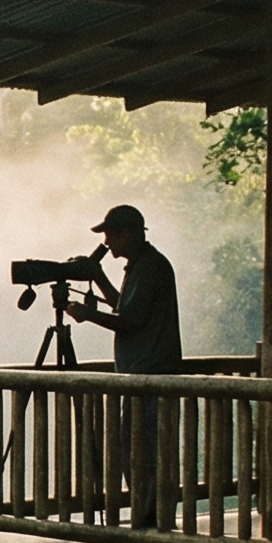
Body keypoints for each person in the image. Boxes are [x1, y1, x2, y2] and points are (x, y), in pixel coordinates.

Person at [70, 205, 182, 526]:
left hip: (151, 376)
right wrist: (98, 275)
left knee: (145, 455)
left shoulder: (150, 267)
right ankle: (148, 522)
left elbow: (129, 320)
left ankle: (151, 524)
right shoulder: (141, 265)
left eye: (110, 234)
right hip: (142, 376)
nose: (106, 242)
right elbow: (125, 307)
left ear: (127, 233)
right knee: (136, 451)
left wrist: (88, 314)